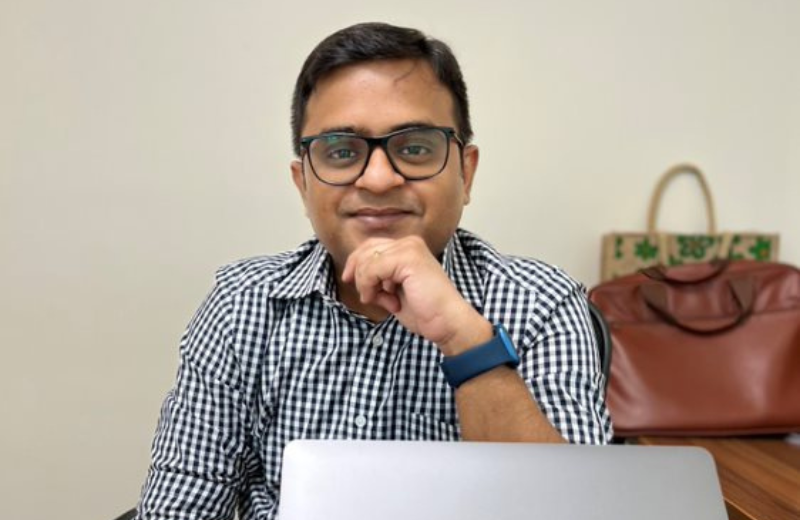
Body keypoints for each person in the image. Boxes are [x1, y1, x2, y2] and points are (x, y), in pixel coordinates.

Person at [136, 21, 612, 520]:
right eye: (342, 152)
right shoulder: (242, 304)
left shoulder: (543, 303)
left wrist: (466, 341)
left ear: (465, 172)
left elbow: (579, 512)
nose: (379, 179)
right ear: (302, 184)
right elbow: (179, 510)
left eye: (416, 148)